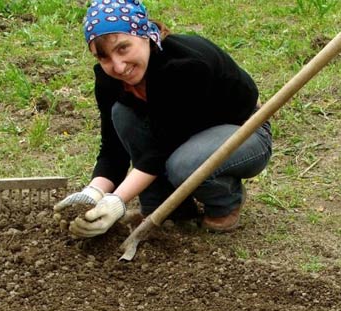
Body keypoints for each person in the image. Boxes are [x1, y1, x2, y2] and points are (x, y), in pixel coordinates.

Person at [54, 0, 272, 237]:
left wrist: (117, 201)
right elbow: (112, 149)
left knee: (183, 165)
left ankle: (225, 201)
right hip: (182, 134)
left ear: (146, 35)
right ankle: (167, 209)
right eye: (104, 57)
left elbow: (159, 151)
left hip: (244, 132)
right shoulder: (109, 80)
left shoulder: (183, 68)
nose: (118, 66)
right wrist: (93, 193)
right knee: (122, 113)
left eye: (123, 48)